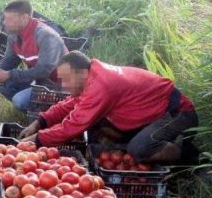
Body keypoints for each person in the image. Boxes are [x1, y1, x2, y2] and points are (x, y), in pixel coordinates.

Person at [20, 51, 199, 164]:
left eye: (66, 79)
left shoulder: (101, 86)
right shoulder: (92, 76)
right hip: (150, 113)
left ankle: (190, 154)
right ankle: (140, 141)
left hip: (177, 113)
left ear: (82, 73)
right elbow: (71, 104)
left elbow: (71, 127)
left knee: (139, 150)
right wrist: (39, 122)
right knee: (99, 124)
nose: (64, 85)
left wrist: (37, 140)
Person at [0, 0, 67, 113]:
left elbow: (44, 71)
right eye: (5, 18)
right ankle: (37, 111)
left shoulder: (46, 36)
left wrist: (9, 74)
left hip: (59, 86)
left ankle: (49, 114)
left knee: (19, 100)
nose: (5, 22)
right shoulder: (14, 35)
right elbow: (10, 60)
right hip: (39, 81)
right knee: (2, 84)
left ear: (24, 18)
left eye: (10, 19)